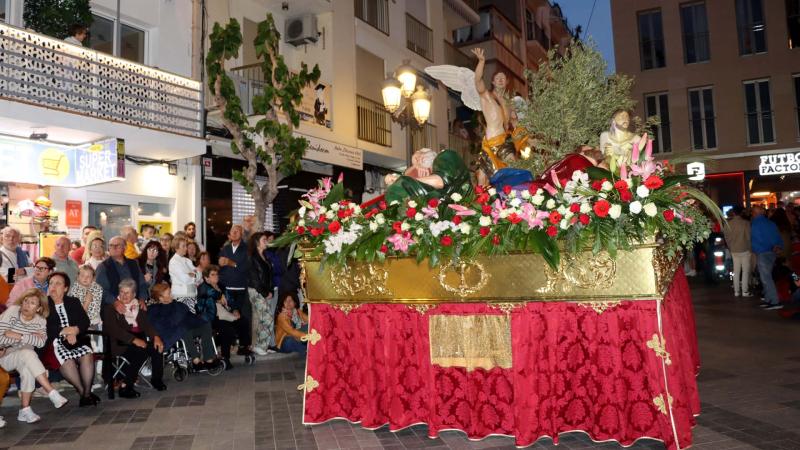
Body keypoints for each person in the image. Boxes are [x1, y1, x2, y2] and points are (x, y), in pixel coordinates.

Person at [0, 288, 69, 423]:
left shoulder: (40, 321)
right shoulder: (13, 311)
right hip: (3, 355)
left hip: (19, 356)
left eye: (32, 303)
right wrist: (28, 336)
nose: (26, 305)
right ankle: (51, 391)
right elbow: (0, 337)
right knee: (28, 353)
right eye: (25, 301)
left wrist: (18, 335)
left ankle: (25, 410)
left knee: (28, 366)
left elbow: (40, 343)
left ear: (39, 308)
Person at [102, 279, 166, 397]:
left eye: (127, 292)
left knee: (157, 347)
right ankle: (126, 386)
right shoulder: (111, 308)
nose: (124, 295)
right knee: (140, 351)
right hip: (119, 342)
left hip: (137, 340)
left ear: (134, 294)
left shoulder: (138, 306)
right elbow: (114, 330)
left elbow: (146, 325)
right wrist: (134, 340)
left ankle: (156, 379)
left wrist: (156, 336)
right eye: (121, 292)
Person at [45, 272, 97, 407]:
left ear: (66, 288)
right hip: (54, 341)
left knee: (87, 355)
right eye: (51, 283)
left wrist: (75, 330)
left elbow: (84, 321)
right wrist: (65, 331)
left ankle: (86, 394)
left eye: (58, 283)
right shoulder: (44, 304)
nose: (53, 286)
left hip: (76, 339)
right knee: (67, 360)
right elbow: (44, 326)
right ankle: (84, 393)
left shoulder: (73, 302)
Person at [148, 283, 220, 371]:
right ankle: (195, 360)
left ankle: (208, 359)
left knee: (205, 323)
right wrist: (178, 320)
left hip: (187, 328)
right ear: (161, 298)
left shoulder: (178, 305)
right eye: (169, 293)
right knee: (184, 328)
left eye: (170, 292)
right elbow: (159, 325)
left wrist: (201, 319)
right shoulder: (155, 310)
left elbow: (190, 317)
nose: (172, 295)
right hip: (174, 333)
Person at [197, 266, 247, 369]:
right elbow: (210, 293)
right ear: (206, 278)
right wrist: (220, 296)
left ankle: (243, 347)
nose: (216, 276)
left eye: (216, 274)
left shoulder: (221, 286)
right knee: (226, 329)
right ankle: (225, 357)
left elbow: (231, 300)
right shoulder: (203, 287)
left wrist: (235, 309)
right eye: (212, 275)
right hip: (211, 318)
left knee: (243, 321)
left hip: (225, 315)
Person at [218, 225, 252, 356]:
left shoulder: (246, 248)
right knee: (228, 318)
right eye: (233, 231)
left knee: (242, 318)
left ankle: (244, 346)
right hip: (227, 287)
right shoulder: (225, 248)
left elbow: (247, 267)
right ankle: (230, 345)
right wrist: (222, 263)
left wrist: (231, 263)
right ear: (229, 234)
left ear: (242, 234)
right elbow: (221, 266)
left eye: (237, 231)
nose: (235, 233)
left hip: (241, 288)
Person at [96, 236, 149, 308]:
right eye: (111, 245)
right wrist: (115, 302)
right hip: (113, 305)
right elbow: (100, 290)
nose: (114, 248)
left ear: (125, 248)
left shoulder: (133, 263)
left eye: (117, 245)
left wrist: (142, 299)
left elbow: (142, 284)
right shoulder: (103, 267)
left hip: (135, 303)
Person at [751, 205, 784, 310]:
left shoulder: (755, 223)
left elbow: (756, 239)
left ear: (755, 213)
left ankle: (774, 301)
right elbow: (777, 237)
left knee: (766, 278)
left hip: (762, 252)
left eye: (752, 212)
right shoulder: (770, 223)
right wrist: (777, 246)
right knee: (767, 277)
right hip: (772, 252)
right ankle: (768, 299)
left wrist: (756, 250)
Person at [248, 232, 274, 355]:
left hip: (263, 291)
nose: (266, 241)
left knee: (264, 319)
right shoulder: (252, 258)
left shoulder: (264, 256)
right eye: (264, 240)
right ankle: (260, 346)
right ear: (257, 243)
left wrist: (270, 291)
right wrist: (265, 293)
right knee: (267, 319)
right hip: (256, 291)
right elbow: (254, 280)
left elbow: (269, 277)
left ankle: (263, 346)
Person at [724, 206, 752, 297]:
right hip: (744, 249)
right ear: (741, 212)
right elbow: (748, 237)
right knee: (745, 271)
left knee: (736, 271)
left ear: (733, 213)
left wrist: (730, 247)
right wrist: (750, 248)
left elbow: (726, 237)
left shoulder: (728, 223)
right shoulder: (745, 223)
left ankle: (736, 291)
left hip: (734, 249)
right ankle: (745, 291)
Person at [169, 237, 202, 312]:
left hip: (192, 295)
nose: (186, 248)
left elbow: (199, 274)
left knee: (191, 317)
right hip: (181, 296)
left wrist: (194, 275)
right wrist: (195, 275)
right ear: (176, 248)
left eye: (186, 246)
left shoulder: (188, 260)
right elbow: (185, 279)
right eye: (183, 246)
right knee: (182, 317)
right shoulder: (174, 261)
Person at [274, 292, 308, 357]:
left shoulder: (298, 311)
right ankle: (308, 351)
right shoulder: (282, 316)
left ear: (295, 303)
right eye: (285, 301)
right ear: (283, 304)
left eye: (290, 300)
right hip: (284, 343)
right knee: (290, 340)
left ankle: (307, 345)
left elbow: (309, 320)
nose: (288, 302)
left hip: (297, 337)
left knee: (310, 326)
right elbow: (291, 331)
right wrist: (307, 336)